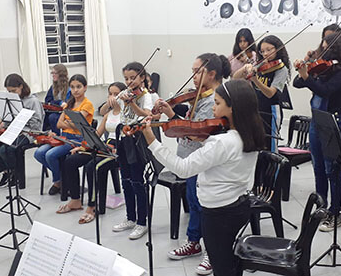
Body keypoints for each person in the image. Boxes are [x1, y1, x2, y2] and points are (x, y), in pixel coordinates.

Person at [143, 79, 266, 276]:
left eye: (217, 103)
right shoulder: (249, 133)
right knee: (227, 259)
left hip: (218, 213)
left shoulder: (221, 142)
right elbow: (225, 158)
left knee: (222, 265)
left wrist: (152, 141)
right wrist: (204, 141)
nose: (213, 109)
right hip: (239, 205)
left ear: (232, 107)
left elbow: (183, 169)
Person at [152, 53, 228, 275]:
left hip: (201, 160)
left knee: (205, 206)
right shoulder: (198, 96)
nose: (193, 76)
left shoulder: (214, 99)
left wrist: (173, 118)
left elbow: (196, 129)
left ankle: (211, 251)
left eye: (197, 72)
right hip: (189, 157)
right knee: (194, 202)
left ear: (212, 74)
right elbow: (189, 122)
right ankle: (194, 241)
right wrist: (170, 112)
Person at [293, 32, 341, 232]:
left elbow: (325, 91)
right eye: (322, 48)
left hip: (333, 122)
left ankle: (335, 212)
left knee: (333, 170)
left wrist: (307, 76)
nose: (323, 52)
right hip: (317, 121)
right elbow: (297, 83)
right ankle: (321, 208)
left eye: (327, 49)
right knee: (318, 167)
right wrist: (306, 64)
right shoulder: (323, 69)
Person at [60, 81, 126, 224]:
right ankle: (76, 200)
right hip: (105, 147)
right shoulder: (108, 114)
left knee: (92, 167)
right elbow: (97, 133)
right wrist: (84, 147)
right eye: (110, 93)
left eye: (116, 94)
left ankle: (92, 206)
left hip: (120, 149)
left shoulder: (126, 112)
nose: (112, 97)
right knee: (70, 160)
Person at [34, 74, 94, 201]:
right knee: (39, 153)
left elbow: (79, 126)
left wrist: (69, 123)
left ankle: (58, 182)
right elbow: (59, 124)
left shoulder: (87, 104)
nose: (75, 90)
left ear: (85, 88)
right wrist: (71, 123)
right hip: (64, 137)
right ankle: (63, 178)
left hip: (77, 140)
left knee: (50, 155)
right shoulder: (69, 104)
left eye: (78, 87)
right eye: (72, 87)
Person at [112, 62, 152, 240]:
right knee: (126, 181)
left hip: (137, 142)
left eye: (133, 78)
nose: (129, 81)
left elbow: (146, 114)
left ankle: (142, 222)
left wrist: (132, 103)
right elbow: (106, 110)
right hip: (123, 139)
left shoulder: (147, 96)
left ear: (142, 77)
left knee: (137, 182)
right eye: (126, 78)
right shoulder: (124, 93)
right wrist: (112, 102)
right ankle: (130, 217)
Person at [0, 73, 44, 186]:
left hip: (28, 133)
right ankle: (6, 172)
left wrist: (21, 119)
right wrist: (1, 123)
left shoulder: (33, 101)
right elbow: (7, 118)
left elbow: (36, 125)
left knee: (5, 149)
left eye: (14, 90)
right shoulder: (9, 99)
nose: (12, 94)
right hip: (12, 131)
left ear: (21, 86)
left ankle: (16, 174)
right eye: (9, 91)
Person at [233, 35, 291, 152]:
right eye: (263, 51)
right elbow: (235, 78)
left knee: (270, 145)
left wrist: (255, 80)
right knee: (257, 143)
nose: (265, 54)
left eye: (269, 50)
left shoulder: (281, 69)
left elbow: (270, 93)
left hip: (272, 110)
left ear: (277, 49)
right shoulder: (261, 65)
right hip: (257, 108)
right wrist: (245, 68)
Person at [44, 64, 71, 133]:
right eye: (52, 73)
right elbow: (47, 101)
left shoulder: (70, 88)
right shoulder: (53, 87)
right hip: (56, 109)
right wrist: (58, 102)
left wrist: (56, 102)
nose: (53, 75)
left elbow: (71, 104)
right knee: (44, 115)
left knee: (52, 117)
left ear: (61, 74)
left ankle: (57, 136)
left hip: (65, 111)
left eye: (55, 73)